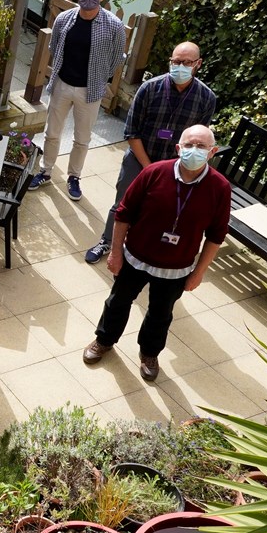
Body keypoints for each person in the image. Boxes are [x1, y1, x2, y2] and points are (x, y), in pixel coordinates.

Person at [82, 125, 231, 381]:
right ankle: (104, 340)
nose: (194, 151)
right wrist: (116, 252)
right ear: (178, 148)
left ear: (213, 152)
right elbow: (123, 213)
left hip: (177, 267)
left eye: (202, 146)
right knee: (117, 302)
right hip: (135, 257)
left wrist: (199, 273)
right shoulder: (154, 172)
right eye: (189, 145)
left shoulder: (219, 188)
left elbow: (216, 236)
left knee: (160, 314)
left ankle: (149, 353)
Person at [85, 41, 216, 264]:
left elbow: (198, 138)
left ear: (198, 64)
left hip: (175, 167)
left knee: (159, 210)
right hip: (140, 159)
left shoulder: (206, 98)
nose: (179, 66)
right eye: (175, 61)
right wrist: (150, 168)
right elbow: (132, 132)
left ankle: (143, 249)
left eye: (186, 62)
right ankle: (107, 241)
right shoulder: (149, 88)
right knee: (122, 204)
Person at [29, 0, 127, 202]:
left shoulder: (114, 25)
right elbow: (54, 47)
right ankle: (45, 171)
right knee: (52, 133)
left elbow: (117, 58)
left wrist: (100, 76)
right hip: (62, 84)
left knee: (82, 138)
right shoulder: (64, 19)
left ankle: (74, 177)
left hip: (90, 91)